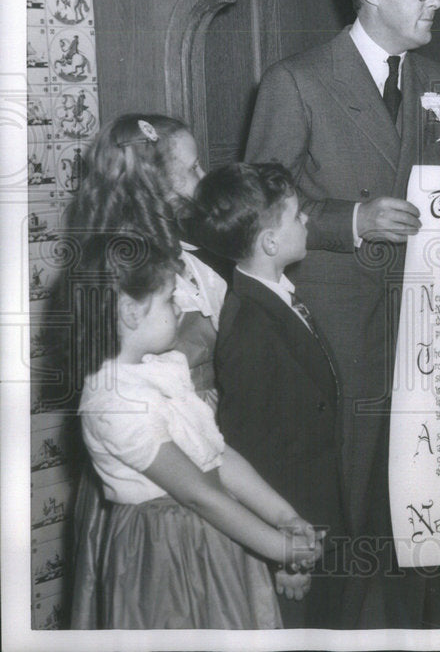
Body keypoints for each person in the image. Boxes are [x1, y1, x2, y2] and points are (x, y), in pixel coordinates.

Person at [245, 0, 440, 628]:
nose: (438, 0)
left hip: (425, 337)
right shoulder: (298, 80)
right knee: (339, 510)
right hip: (337, 336)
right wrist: (350, 221)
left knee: (413, 518)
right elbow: (255, 212)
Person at [74, 234, 321, 628]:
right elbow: (197, 493)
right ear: (131, 313)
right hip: (166, 556)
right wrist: (281, 548)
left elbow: (216, 455)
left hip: (216, 535)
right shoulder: (114, 401)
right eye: (171, 299)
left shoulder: (163, 367)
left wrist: (284, 518)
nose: (180, 309)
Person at [65, 113, 228, 629]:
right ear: (153, 183)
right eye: (192, 168)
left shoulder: (189, 261)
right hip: (154, 477)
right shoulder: (129, 274)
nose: (204, 178)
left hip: (201, 448)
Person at [190, 162, 348, 628]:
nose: (307, 222)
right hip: (294, 532)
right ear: (270, 243)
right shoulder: (252, 323)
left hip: (314, 517)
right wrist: (288, 557)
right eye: (297, 216)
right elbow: (259, 448)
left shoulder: (274, 298)